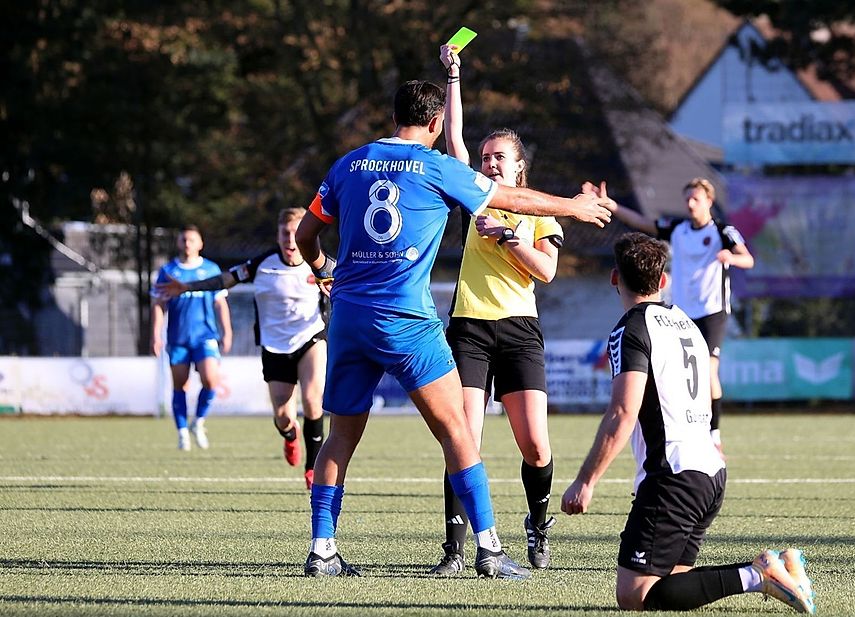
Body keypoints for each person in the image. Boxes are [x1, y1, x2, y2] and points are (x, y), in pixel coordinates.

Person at [295, 79, 613, 579]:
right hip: (406, 319)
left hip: (350, 318)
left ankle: (322, 550)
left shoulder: (347, 164)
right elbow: (513, 199)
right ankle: (488, 549)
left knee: (340, 438)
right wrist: (573, 207)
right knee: (458, 432)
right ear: (436, 123)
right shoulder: (436, 167)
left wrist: (325, 272)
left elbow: (304, 234)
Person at [560, 232, 813, 614]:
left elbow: (622, 412)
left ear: (615, 278)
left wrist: (585, 482)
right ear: (663, 281)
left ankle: (758, 574)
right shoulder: (686, 323)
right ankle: (784, 567)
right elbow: (711, 387)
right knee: (672, 588)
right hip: (710, 473)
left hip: (673, 476)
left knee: (635, 596)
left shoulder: (631, 328)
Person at [426, 45, 560, 577]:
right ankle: (454, 551)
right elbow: (454, 138)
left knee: (535, 445)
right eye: (484, 158)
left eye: (498, 157)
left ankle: (537, 522)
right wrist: (454, 74)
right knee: (463, 438)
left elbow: (545, 271)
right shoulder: (475, 195)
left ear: (519, 166)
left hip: (520, 330)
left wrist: (507, 237)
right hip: (469, 328)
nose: (488, 163)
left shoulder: (537, 209)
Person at [155, 208, 328, 488]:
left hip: (311, 338)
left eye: (296, 233)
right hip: (274, 346)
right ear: (278, 235)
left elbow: (348, 281)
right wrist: (186, 287)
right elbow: (225, 280)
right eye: (285, 233)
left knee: (312, 400)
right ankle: (290, 435)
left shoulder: (319, 262)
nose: (291, 239)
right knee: (283, 416)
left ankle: (313, 469)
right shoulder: (262, 263)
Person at [582, 178, 753, 452]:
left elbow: (748, 258)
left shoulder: (723, 231)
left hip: (711, 310)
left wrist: (730, 258)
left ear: (709, 201)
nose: (690, 204)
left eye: (695, 199)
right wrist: (612, 205)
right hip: (683, 311)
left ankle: (714, 436)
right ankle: (683, 427)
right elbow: (644, 224)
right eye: (687, 199)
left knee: (708, 372)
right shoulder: (678, 229)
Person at [151, 224, 232, 451]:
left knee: (210, 380)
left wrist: (227, 331)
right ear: (178, 243)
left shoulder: (211, 269)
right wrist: (156, 336)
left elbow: (220, 302)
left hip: (205, 336)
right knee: (180, 384)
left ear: (200, 244)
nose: (187, 244)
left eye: (191, 240)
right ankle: (182, 432)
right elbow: (158, 305)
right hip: (178, 338)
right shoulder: (168, 272)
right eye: (183, 240)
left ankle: (198, 422)